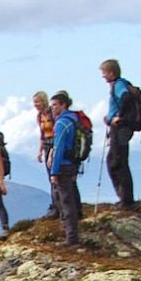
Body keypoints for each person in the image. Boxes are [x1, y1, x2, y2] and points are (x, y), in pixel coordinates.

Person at [100, 58, 139, 210]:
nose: (103, 76)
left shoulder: (119, 85)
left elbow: (126, 97)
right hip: (119, 127)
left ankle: (126, 200)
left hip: (120, 128)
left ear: (111, 72)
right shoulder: (119, 84)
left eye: (104, 72)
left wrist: (118, 117)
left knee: (118, 162)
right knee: (115, 161)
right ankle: (124, 197)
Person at [47, 92, 84, 246]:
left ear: (63, 105)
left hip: (63, 166)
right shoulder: (74, 119)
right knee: (72, 197)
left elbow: (59, 148)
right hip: (73, 164)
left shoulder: (61, 123)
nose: (52, 108)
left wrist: (54, 172)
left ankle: (71, 238)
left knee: (65, 201)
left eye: (55, 104)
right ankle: (73, 232)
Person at [33, 91, 57, 219]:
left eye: (38, 101)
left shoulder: (52, 114)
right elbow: (42, 135)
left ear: (44, 101)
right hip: (47, 145)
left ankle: (57, 206)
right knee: (50, 177)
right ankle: (55, 205)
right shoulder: (39, 116)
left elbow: (56, 133)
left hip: (55, 145)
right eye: (34, 102)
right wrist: (40, 152)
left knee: (55, 176)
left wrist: (52, 153)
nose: (36, 104)